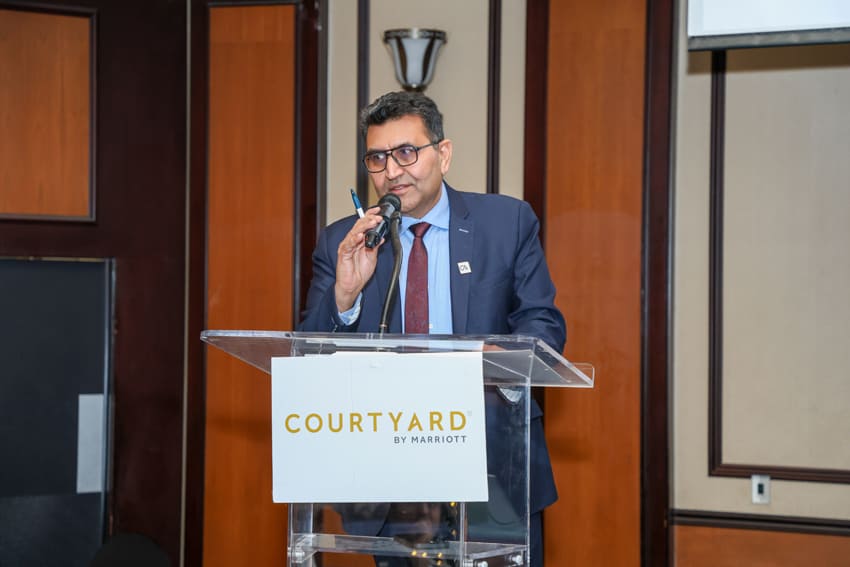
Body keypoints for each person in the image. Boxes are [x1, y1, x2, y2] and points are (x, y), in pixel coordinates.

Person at [299, 91, 566, 567]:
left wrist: (502, 362)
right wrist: (345, 296)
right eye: (377, 158)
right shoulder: (346, 241)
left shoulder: (505, 223)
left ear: (443, 154)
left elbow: (543, 325)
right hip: (389, 483)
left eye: (406, 152)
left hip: (494, 470)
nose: (391, 171)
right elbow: (310, 356)